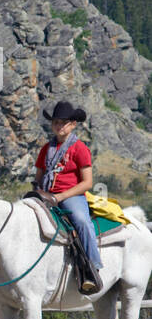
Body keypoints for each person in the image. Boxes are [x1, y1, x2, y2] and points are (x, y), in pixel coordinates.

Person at [35, 100, 101, 295]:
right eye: (56, 122)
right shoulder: (46, 149)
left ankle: (92, 266)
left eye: (63, 122)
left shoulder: (79, 149)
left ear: (73, 124)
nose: (59, 126)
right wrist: (38, 192)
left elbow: (87, 183)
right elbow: (38, 178)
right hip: (46, 194)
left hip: (71, 195)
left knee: (81, 220)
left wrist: (61, 196)